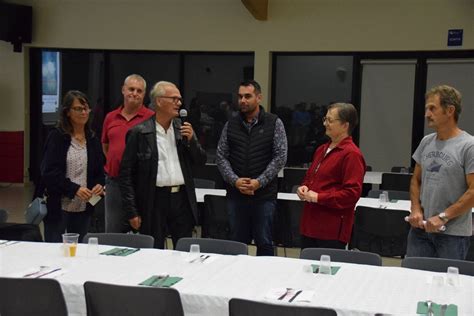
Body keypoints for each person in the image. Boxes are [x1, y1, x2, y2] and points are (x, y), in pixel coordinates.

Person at [119, 81, 206, 248]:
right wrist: (132, 211)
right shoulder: (140, 132)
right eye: (174, 99)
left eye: (180, 99)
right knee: (154, 249)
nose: (179, 103)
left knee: (184, 250)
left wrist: (193, 140)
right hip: (154, 199)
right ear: (159, 101)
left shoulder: (183, 129)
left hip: (181, 199)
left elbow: (200, 161)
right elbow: (126, 175)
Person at [216, 80, 287, 256]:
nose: (243, 100)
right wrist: (235, 180)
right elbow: (221, 155)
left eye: (247, 96)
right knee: (236, 244)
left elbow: (280, 156)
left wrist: (259, 182)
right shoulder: (231, 124)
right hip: (236, 194)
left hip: (263, 196)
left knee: (264, 242)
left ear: (259, 97)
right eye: (240, 97)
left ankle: (264, 281)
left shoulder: (274, 122)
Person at [406, 85, 474, 259]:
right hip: (420, 230)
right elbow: (416, 180)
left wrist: (443, 217)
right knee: (414, 279)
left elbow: (473, 191)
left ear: (450, 110)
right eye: (427, 108)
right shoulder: (426, 142)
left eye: (432, 108)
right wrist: (415, 209)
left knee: (447, 283)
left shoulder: (468, 146)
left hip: (452, 233)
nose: (427, 114)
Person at [296, 103, 365, 249]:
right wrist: (304, 187)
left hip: (331, 229)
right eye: (325, 119)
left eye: (330, 120)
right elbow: (310, 178)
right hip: (310, 225)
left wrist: (319, 197)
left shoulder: (351, 154)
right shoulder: (322, 149)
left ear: (345, 125)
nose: (325, 124)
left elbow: (352, 194)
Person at [41, 90, 105, 242]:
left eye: (86, 108)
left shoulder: (92, 138)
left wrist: (99, 185)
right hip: (59, 205)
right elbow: (49, 173)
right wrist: (74, 189)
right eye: (78, 108)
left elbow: (99, 172)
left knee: (80, 249)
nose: (83, 112)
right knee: (55, 249)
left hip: (84, 206)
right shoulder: (57, 137)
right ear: (67, 112)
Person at [101, 74, 154, 233]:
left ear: (144, 95)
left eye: (139, 91)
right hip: (115, 183)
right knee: (113, 232)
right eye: (131, 89)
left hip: (142, 185)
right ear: (123, 90)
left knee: (145, 232)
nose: (135, 93)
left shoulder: (151, 118)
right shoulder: (110, 117)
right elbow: (106, 146)